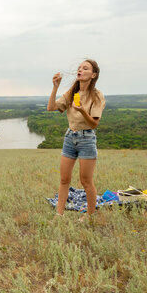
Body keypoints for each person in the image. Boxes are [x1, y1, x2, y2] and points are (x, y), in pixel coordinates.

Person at [47, 59, 106, 219]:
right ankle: (59, 214)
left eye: (85, 68)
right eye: (79, 68)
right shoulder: (72, 93)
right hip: (69, 137)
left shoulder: (97, 96)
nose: (80, 70)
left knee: (86, 181)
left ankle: (89, 215)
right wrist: (55, 87)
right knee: (64, 179)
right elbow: (51, 107)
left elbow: (93, 124)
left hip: (86, 139)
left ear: (93, 75)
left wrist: (82, 111)